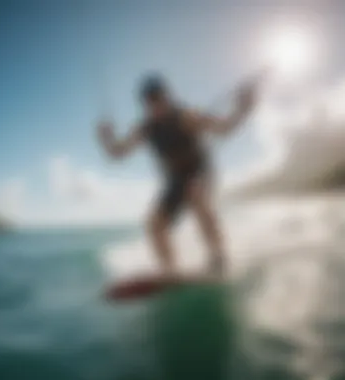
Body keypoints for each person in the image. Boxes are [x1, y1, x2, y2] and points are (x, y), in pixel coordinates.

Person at [97, 74, 257, 278]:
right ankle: (169, 270)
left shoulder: (187, 116)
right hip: (175, 182)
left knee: (195, 194)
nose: (156, 104)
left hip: (200, 172)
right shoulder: (146, 129)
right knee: (154, 223)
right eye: (150, 100)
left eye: (159, 97)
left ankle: (218, 257)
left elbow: (224, 129)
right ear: (145, 104)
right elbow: (119, 153)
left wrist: (244, 107)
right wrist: (106, 139)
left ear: (167, 97)